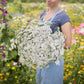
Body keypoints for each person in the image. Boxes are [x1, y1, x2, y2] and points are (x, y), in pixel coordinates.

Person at [36, 0, 72, 84]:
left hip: (53, 61)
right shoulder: (43, 15)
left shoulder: (63, 17)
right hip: (41, 60)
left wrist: (48, 45)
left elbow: (68, 44)